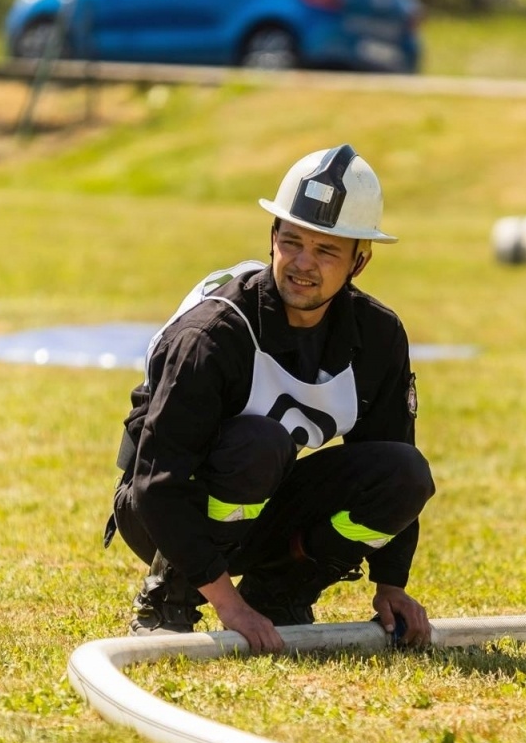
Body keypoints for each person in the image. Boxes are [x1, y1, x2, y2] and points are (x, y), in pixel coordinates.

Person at [105, 145, 435, 654]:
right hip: (165, 511)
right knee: (258, 444)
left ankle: (283, 590)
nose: (303, 264)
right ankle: (169, 595)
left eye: (326, 251)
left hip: (262, 505)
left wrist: (392, 584)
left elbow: (392, 458)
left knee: (405, 473)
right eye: (292, 242)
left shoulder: (377, 335)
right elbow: (156, 484)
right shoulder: (213, 335)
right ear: (272, 239)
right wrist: (227, 604)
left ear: (359, 262)